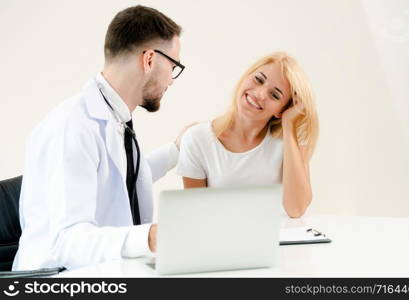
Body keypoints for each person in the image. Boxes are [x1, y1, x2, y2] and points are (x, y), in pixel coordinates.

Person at [13, 5, 189, 271]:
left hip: (99, 272)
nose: (172, 80)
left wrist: (174, 151)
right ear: (150, 59)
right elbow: (67, 242)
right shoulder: (72, 127)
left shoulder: (115, 117)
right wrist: (150, 237)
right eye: (173, 66)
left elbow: (118, 180)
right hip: (55, 280)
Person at [176, 52, 319, 218]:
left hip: (275, 241)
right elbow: (196, 214)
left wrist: (288, 126)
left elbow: (296, 209)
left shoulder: (289, 143)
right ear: (246, 77)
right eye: (258, 79)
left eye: (275, 95)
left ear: (282, 110)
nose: (260, 94)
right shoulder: (197, 139)